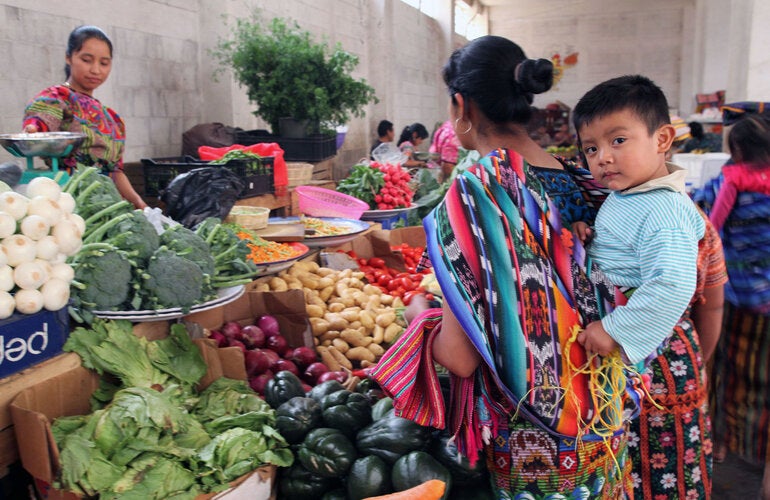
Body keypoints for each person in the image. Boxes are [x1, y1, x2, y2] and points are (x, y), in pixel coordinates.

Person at [372, 36, 638, 498]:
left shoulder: (475, 194)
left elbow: (459, 357)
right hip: (607, 421)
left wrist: (419, 315)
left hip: (535, 447)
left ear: (461, 104)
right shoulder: (583, 177)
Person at [572, 75, 718, 499]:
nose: (603, 158)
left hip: (657, 361)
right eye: (592, 148)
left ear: (662, 139)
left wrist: (614, 329)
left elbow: (671, 283)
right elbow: (627, 253)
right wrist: (589, 234)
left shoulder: (664, 210)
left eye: (618, 140)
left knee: (662, 468)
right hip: (640, 353)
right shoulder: (632, 196)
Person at [696, 108, 770, 499]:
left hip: (737, 300)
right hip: (767, 303)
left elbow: (710, 223)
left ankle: (723, 442)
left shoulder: (729, 181)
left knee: (725, 371)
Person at [23, 25, 147, 209]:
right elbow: (41, 121)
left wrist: (138, 202)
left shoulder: (113, 119)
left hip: (105, 204)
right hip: (66, 200)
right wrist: (34, 129)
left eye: (104, 63)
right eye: (87, 60)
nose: (96, 70)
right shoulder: (57, 98)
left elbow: (115, 172)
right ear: (69, 57)